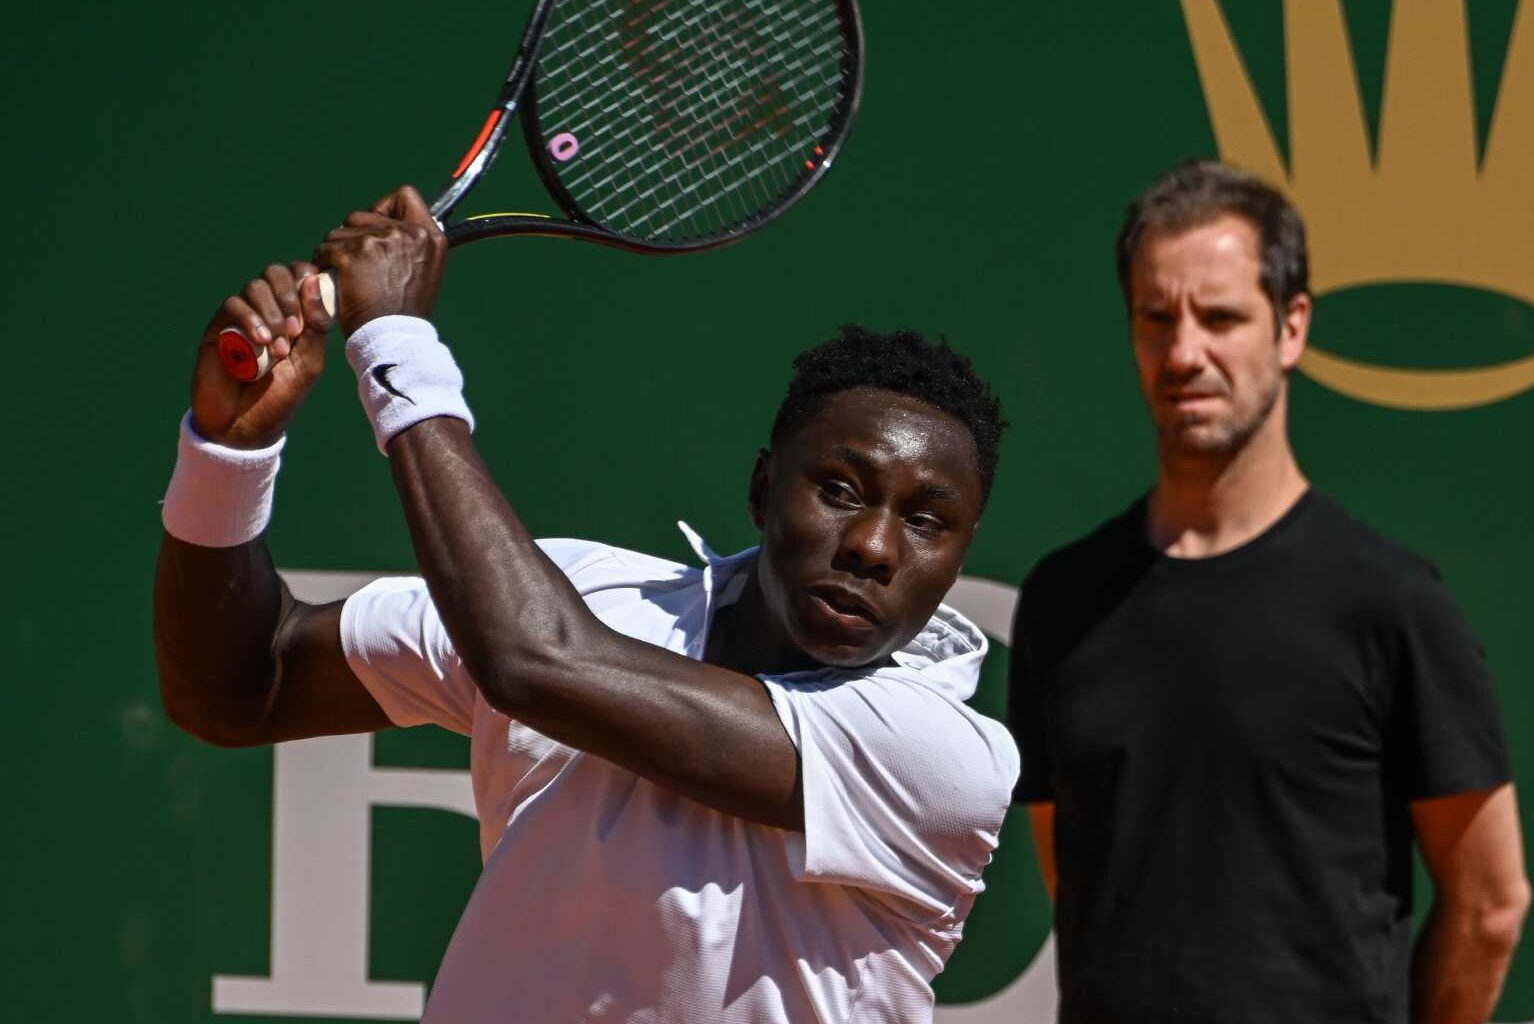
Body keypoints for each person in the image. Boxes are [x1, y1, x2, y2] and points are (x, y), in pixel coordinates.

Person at [154, 186, 1017, 1024]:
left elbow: (535, 661)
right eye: (839, 490)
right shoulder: (589, 596)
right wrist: (230, 455)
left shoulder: (942, 758)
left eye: (926, 522)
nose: (873, 546)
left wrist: (394, 342)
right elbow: (242, 687)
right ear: (763, 489)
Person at [1006, 161, 1531, 1024]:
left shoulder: (1391, 603)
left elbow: (1490, 906)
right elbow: (1080, 884)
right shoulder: (1063, 601)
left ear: (1291, 328)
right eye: (1157, 318)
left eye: (1220, 318)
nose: (1185, 354)